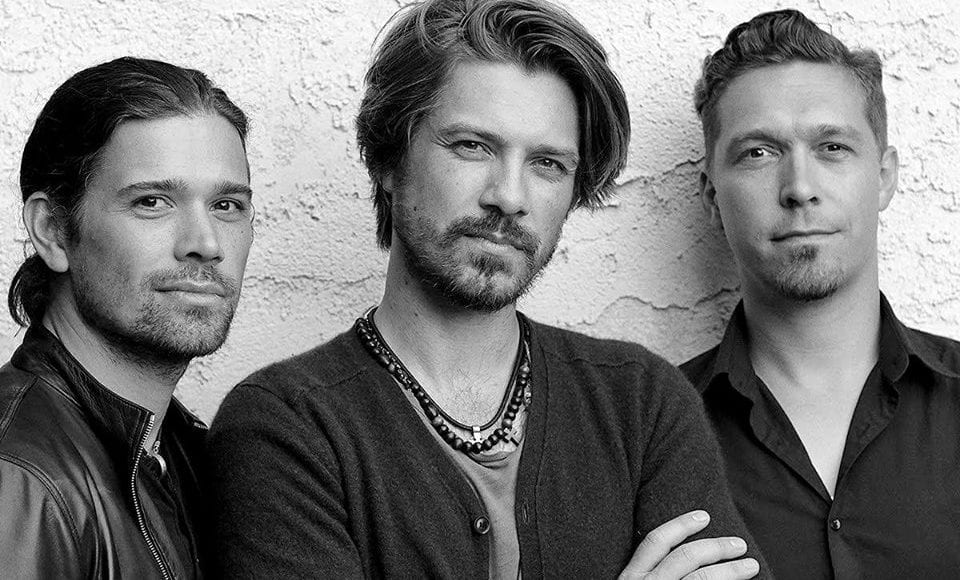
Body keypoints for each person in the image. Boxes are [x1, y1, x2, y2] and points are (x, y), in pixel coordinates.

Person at [206, 1, 766, 578]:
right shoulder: (285, 427)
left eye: (547, 163)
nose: (509, 196)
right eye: (472, 146)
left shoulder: (642, 402)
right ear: (389, 160)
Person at [683, 8, 960, 579]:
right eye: (758, 152)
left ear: (884, 177)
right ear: (711, 196)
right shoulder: (650, 435)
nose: (800, 188)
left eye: (832, 147)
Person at [0, 57, 254, 578]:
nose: (205, 244)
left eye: (226, 205)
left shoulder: (185, 454)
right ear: (53, 230)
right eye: (153, 202)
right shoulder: (18, 476)